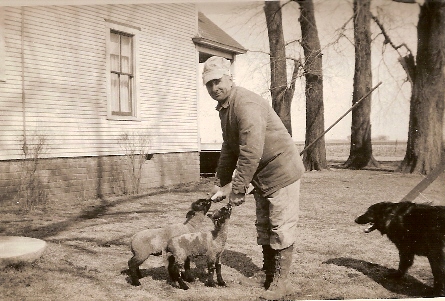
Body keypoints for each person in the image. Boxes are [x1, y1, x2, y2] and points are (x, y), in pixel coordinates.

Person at [203, 56, 305, 300]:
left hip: (281, 171)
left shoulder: (245, 103)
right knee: (264, 225)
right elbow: (229, 147)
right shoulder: (225, 108)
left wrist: (237, 189)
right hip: (261, 175)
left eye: (218, 81)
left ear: (229, 77)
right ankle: (268, 272)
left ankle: (281, 283)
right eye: (208, 84)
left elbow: (251, 150)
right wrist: (220, 181)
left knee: (280, 225)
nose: (214, 88)